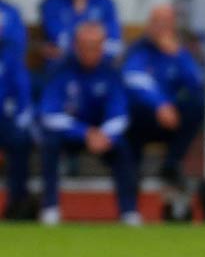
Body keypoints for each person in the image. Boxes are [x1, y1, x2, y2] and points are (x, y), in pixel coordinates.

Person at [37, 21, 138, 227]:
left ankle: (128, 212)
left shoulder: (111, 72)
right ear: (75, 45)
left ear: (102, 47)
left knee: (125, 149)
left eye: (95, 46)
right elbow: (49, 113)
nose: (90, 52)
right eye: (85, 46)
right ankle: (50, 208)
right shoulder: (60, 70)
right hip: (71, 133)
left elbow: (120, 112)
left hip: (103, 135)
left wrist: (104, 134)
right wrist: (84, 132)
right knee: (49, 144)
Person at [122, 4, 203, 223]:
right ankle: (129, 209)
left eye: (165, 23)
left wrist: (178, 55)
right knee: (130, 115)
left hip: (170, 121)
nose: (160, 28)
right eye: (156, 22)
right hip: (141, 119)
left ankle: (171, 164)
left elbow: (196, 82)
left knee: (197, 104)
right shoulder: (139, 49)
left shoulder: (180, 52)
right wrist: (160, 104)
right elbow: (134, 80)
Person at [0, 0, 30, 221]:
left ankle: (17, 205)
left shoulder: (10, 13)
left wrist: (21, 113)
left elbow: (17, 62)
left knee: (21, 137)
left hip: (3, 111)